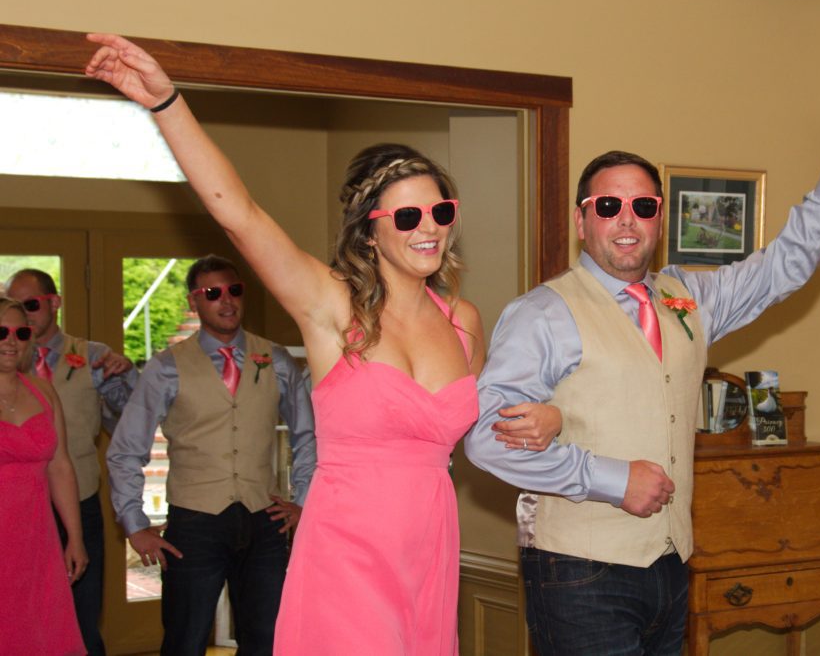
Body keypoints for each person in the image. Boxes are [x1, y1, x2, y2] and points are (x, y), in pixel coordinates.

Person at [85, 33, 558, 655]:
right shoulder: (332, 306)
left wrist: (548, 418)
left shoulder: (464, 319)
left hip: (430, 542)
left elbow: (489, 429)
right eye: (408, 217)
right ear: (370, 230)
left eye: (441, 213)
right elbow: (240, 214)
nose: (430, 230)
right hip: (348, 544)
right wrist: (167, 102)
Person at [465, 77, 820, 654]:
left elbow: (784, 265)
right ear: (582, 221)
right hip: (579, 573)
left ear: (660, 219)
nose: (627, 220)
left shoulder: (687, 298)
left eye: (644, 206)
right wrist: (612, 480)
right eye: (608, 206)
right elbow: (486, 439)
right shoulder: (542, 314)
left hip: (670, 566)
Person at [105, 255, 315, 655]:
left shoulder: (276, 359)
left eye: (234, 290)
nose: (227, 300)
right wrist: (135, 524)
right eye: (213, 293)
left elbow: (309, 436)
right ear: (194, 302)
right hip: (195, 523)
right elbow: (126, 449)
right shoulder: (166, 368)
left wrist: (302, 501)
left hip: (263, 520)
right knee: (185, 639)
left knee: (266, 640)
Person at [6, 268, 138, 656]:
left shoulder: (93, 357)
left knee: (74, 621)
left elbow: (127, 422)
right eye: (4, 329)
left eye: (28, 312)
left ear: (54, 303)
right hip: (10, 517)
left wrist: (125, 377)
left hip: (73, 505)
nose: (18, 330)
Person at [0, 297, 88, 656]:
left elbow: (60, 466)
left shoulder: (43, 390)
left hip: (38, 538)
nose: (11, 341)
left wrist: (76, 538)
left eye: (21, 332)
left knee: (42, 632)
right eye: (0, 332)